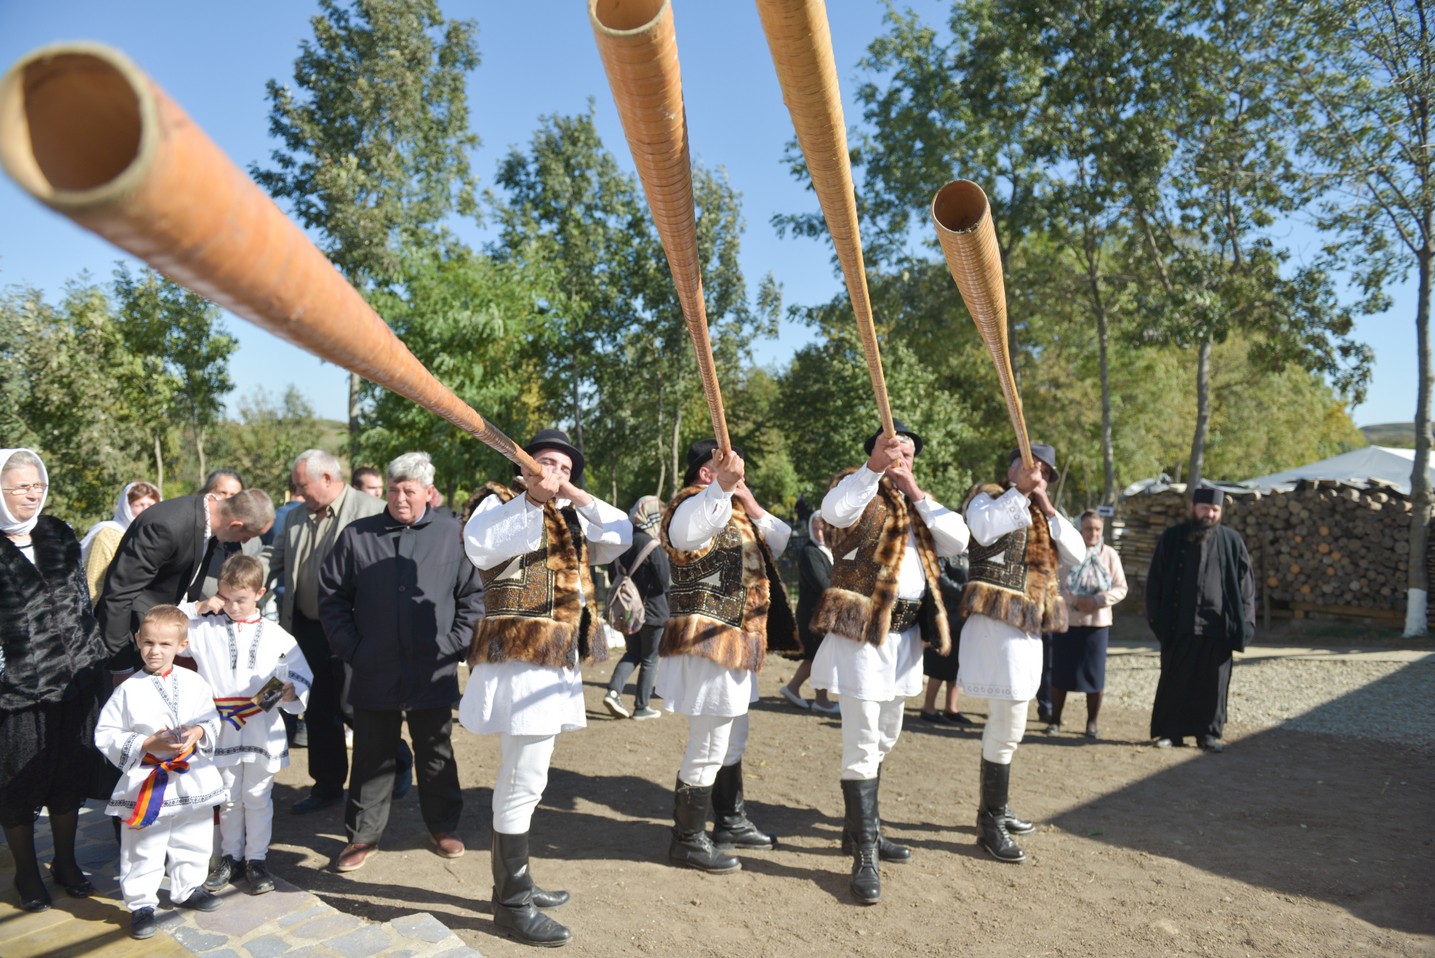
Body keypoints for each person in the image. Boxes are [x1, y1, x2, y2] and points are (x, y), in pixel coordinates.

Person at [461, 429, 631, 947]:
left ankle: (518, 884)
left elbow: (621, 534)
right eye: (544, 461)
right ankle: (510, 904)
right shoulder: (499, 501)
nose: (553, 470)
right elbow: (480, 546)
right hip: (519, 656)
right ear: (524, 465)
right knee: (522, 778)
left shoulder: (574, 513)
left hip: (557, 660)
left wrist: (572, 494)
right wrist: (533, 494)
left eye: (563, 465)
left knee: (530, 779)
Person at [809, 423, 969, 904]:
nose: (903, 457)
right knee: (861, 741)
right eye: (893, 449)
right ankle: (865, 854)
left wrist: (915, 490)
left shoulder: (919, 503)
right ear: (876, 451)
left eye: (909, 452)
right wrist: (875, 467)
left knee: (886, 736)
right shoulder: (855, 489)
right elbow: (832, 512)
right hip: (861, 633)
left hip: (904, 640)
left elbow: (959, 540)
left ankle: (860, 830)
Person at [320, 452, 483, 874]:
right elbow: (332, 599)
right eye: (393, 490)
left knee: (435, 751)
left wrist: (452, 645)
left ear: (428, 492)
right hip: (373, 667)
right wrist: (353, 649)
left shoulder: (453, 535)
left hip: (433, 667)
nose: (399, 498)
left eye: (409, 490)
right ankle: (362, 836)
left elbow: (472, 599)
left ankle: (443, 826)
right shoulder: (359, 536)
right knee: (373, 754)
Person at [658, 439, 796, 875]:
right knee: (711, 740)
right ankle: (687, 840)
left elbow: (782, 539)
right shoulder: (689, 504)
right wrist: (721, 488)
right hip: (707, 639)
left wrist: (747, 498)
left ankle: (729, 820)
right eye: (733, 469)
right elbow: (684, 535)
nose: (742, 477)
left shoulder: (733, 508)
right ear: (706, 472)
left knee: (733, 737)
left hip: (737, 639)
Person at [958, 444, 1084, 863]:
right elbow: (981, 529)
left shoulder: (1041, 511)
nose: (1038, 476)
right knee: (1007, 718)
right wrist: (1020, 493)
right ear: (1012, 468)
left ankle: (996, 807)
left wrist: (1044, 503)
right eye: (1031, 468)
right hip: (995, 623)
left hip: (1029, 626)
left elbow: (1078, 552)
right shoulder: (988, 496)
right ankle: (989, 820)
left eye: (1045, 472)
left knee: (1013, 721)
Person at [0, 448, 109, 913]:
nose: (33, 493)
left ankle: (66, 862)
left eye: (38, 484)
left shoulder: (59, 533)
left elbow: (81, 601)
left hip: (75, 680)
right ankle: (28, 871)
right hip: (17, 691)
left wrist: (92, 656)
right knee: (20, 783)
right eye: (21, 486)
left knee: (69, 776)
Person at [96, 605, 226, 939]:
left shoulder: (194, 682)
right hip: (149, 780)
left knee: (194, 834)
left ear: (182, 645)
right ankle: (141, 903)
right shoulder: (127, 689)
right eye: (149, 642)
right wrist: (145, 743)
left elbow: (210, 717)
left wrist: (198, 733)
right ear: (137, 640)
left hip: (190, 775)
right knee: (143, 844)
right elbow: (106, 734)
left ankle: (189, 887)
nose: (155, 651)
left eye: (164, 645)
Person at [265, 449, 385, 814]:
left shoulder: (371, 511)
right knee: (317, 710)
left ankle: (392, 764)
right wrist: (239, 579)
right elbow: (275, 557)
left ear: (328, 479)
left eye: (303, 485)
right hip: (307, 628)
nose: (299, 494)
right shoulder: (296, 516)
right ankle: (327, 786)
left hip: (354, 628)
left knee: (357, 707)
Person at [186, 554, 311, 895]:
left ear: (260, 593)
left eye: (240, 599)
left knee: (257, 795)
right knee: (228, 797)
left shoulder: (277, 635)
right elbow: (162, 623)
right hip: (221, 725)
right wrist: (196, 607)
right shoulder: (204, 628)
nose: (232, 606)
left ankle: (256, 859)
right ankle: (230, 856)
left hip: (261, 724)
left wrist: (291, 689)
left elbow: (301, 673)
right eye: (225, 598)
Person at [97, 488, 275, 677]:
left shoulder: (217, 529)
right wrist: (120, 667)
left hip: (170, 641)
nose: (246, 541)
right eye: (249, 535)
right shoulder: (165, 526)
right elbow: (119, 594)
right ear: (235, 525)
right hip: (135, 643)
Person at [1145, 486, 1255, 753]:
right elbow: (1156, 581)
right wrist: (1157, 620)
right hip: (1179, 624)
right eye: (1205, 508)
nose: (1210, 514)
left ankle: (1208, 734)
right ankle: (1171, 733)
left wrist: (1245, 625)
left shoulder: (1231, 540)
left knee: (1213, 685)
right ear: (1193, 508)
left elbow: (1246, 587)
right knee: (1175, 680)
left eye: (1215, 510)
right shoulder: (1172, 538)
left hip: (1218, 628)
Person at [1050, 510, 1128, 740]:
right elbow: (1054, 585)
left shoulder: (1110, 555)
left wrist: (1096, 600)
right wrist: (1075, 600)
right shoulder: (1067, 553)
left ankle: (1091, 723)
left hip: (1097, 624)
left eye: (1096, 529)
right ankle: (1055, 720)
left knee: (1095, 677)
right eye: (1087, 529)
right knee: (1061, 674)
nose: (1092, 533)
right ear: (1079, 530)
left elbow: (1121, 588)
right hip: (1068, 622)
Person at [602, 495, 671, 721]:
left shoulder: (622, 541)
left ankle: (613, 692)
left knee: (632, 652)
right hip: (653, 612)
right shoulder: (653, 545)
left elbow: (614, 574)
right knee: (650, 658)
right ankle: (641, 707)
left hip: (626, 610)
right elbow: (663, 581)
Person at [780, 513, 839, 716]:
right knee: (818, 657)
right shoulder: (810, 552)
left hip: (821, 614)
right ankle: (820, 699)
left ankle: (793, 688)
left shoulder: (828, 550)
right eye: (815, 528)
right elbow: (822, 583)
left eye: (823, 528)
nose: (819, 533)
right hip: (813, 615)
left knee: (816, 657)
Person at [81, 481, 161, 602]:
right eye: (139, 505)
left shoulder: (158, 536)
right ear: (127, 507)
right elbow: (93, 581)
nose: (146, 510)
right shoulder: (108, 533)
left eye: (150, 505)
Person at [919, 553, 973, 725]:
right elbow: (939, 578)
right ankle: (928, 708)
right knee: (940, 664)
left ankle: (951, 708)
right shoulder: (944, 552)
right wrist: (965, 593)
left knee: (957, 665)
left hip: (963, 616)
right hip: (946, 616)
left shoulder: (968, 552)